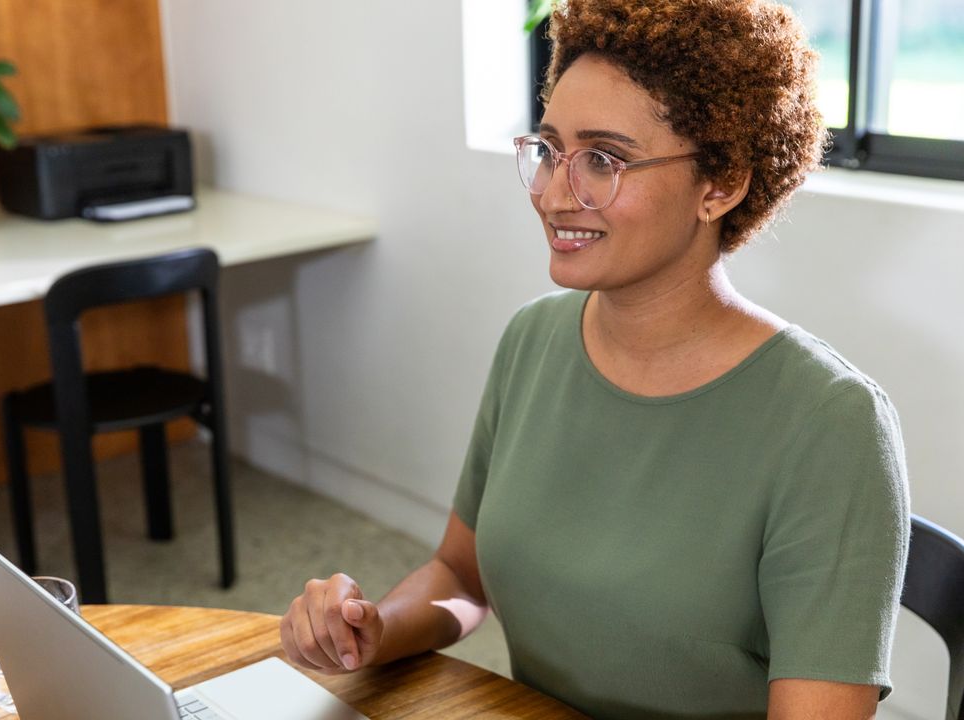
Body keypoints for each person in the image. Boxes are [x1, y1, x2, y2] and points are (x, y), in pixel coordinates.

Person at [279, 1, 910, 717]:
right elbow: (461, 573)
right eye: (549, 151)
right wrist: (373, 629)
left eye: (603, 161)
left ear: (721, 184)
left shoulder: (831, 424)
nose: (552, 194)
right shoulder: (533, 340)